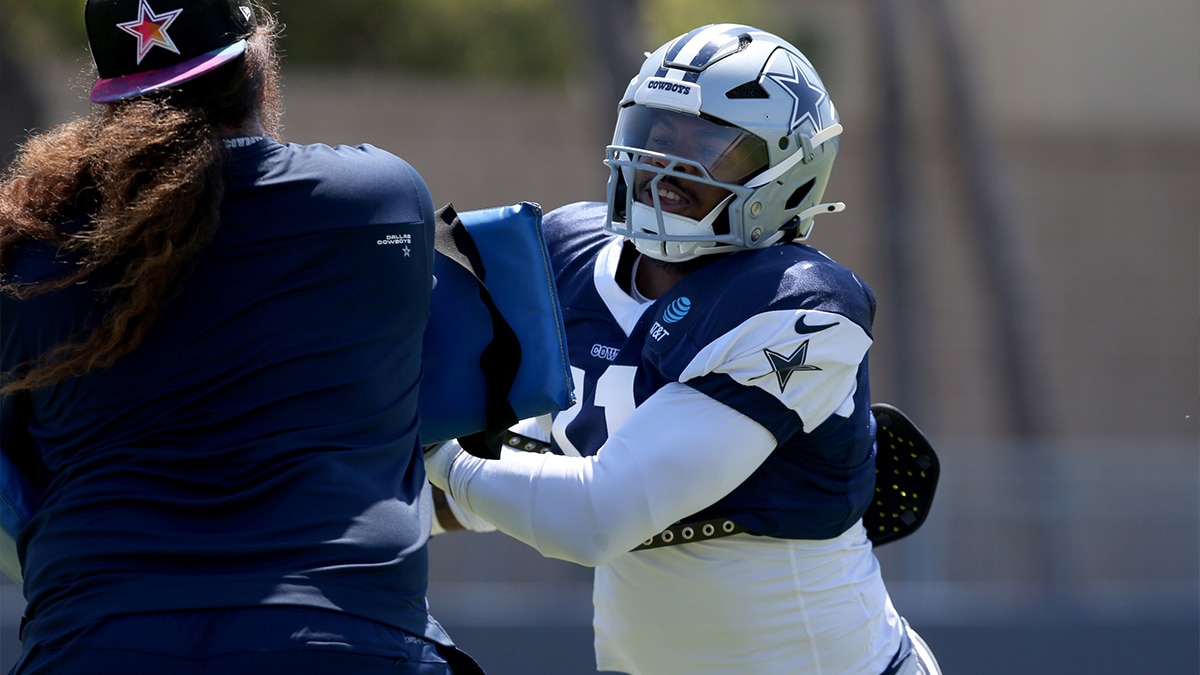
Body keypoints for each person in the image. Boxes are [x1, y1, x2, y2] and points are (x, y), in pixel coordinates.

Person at [425, 24, 941, 674]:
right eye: (656, 134)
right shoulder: (569, 256)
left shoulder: (798, 305)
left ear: (788, 167)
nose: (665, 165)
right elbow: (514, 461)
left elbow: (597, 513)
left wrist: (436, 451)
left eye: (708, 145)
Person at [0, 1, 481, 673]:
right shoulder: (378, 200)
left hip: (98, 641)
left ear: (109, 99)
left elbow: (15, 485)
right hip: (350, 640)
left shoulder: (28, 257)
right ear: (256, 66)